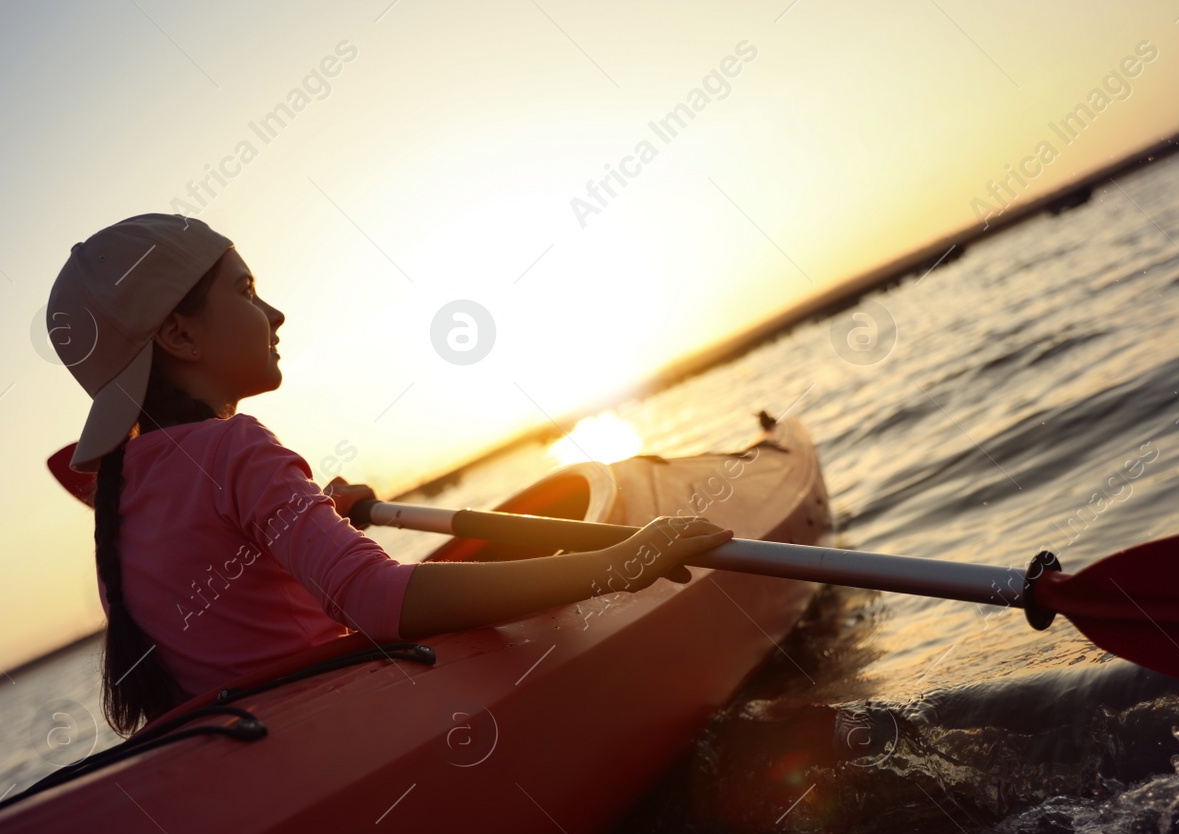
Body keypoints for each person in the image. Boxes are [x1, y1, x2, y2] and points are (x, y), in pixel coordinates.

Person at [48, 213, 731, 737]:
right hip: (341, 730)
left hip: (265, 740)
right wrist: (621, 562)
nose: (275, 313)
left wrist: (306, 511)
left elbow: (223, 567)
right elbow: (375, 600)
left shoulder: (120, 491)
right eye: (247, 290)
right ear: (180, 335)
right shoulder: (236, 448)